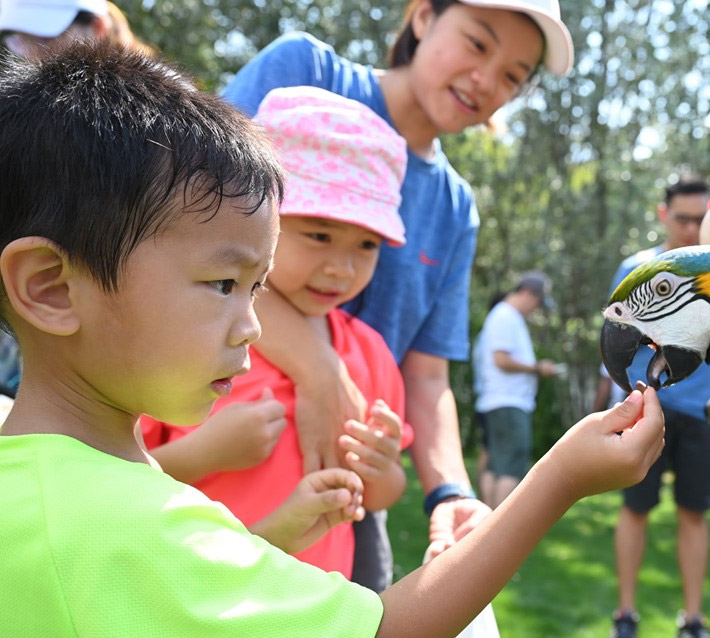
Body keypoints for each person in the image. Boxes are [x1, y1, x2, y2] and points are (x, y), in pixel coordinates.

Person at [0, 42, 666, 636]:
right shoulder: (135, 532)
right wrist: (558, 480)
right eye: (222, 284)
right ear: (50, 287)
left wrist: (279, 532)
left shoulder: (56, 498)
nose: (256, 326)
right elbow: (395, 629)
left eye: (257, 288)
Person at [221, 0, 575, 592]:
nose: (487, 81)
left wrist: (451, 492)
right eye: (477, 43)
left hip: (347, 490)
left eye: (514, 75)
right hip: (218, 443)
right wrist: (320, 371)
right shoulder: (306, 71)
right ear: (422, 17)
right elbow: (182, 233)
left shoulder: (456, 208)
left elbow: (428, 374)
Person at [139, 86, 414, 578]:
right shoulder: (189, 333)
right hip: (194, 595)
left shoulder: (369, 353)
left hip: (318, 607)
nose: (342, 268)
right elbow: (117, 476)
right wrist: (204, 453)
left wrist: (382, 467)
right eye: (320, 235)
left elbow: (382, 496)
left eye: (367, 245)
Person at [597, 176, 710, 638]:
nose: (691, 228)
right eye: (683, 218)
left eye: (700, 219)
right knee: (636, 509)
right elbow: (612, 343)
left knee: (694, 513)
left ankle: (693, 620)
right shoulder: (636, 270)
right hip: (643, 409)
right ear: (663, 214)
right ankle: (625, 615)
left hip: (703, 410)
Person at [473, 271, 558, 507]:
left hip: (500, 402)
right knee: (512, 465)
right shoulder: (505, 317)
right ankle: (499, 531)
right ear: (528, 294)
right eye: (538, 303)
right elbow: (501, 360)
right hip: (508, 402)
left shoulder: (503, 316)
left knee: (496, 466)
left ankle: (485, 524)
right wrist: (537, 368)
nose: (536, 309)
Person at [0, 0, 152, 59]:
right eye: (21, 40)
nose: (32, 56)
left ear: (98, 27)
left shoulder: (162, 99)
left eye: (46, 38)